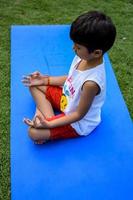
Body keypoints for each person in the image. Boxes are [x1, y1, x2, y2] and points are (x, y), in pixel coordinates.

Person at [22, 10, 116, 144]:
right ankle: (49, 118)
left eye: (78, 47)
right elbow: (71, 78)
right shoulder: (83, 57)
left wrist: (49, 125)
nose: (73, 48)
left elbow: (78, 115)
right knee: (34, 84)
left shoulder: (91, 83)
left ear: (96, 53)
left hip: (76, 122)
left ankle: (46, 120)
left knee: (33, 132)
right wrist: (45, 80)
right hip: (66, 100)